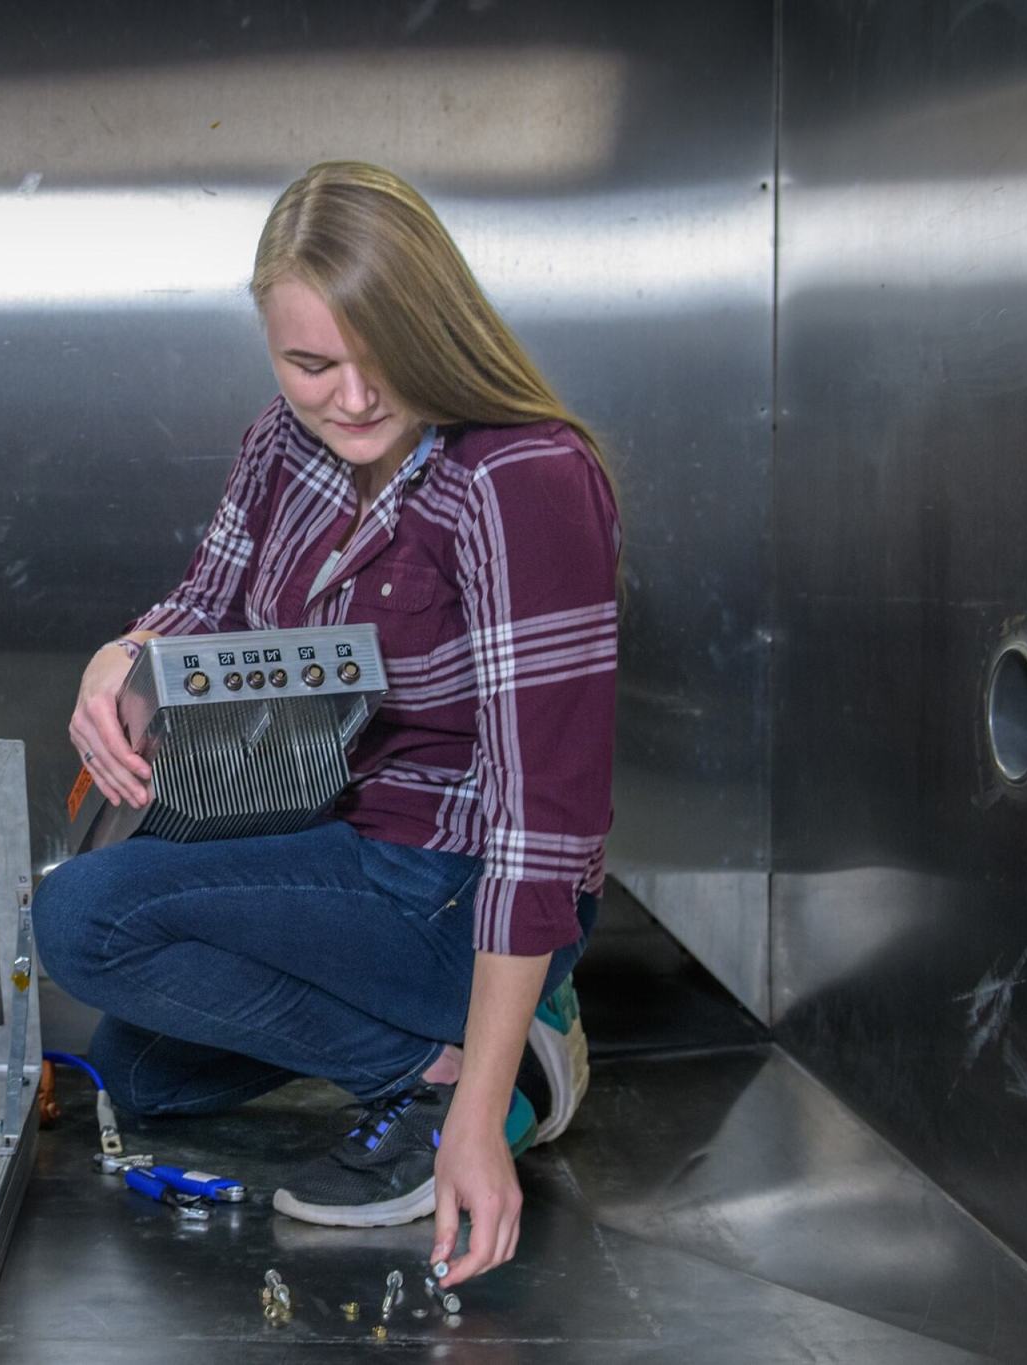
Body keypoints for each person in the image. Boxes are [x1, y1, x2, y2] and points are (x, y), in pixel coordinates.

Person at [31, 161, 619, 1291]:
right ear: (270, 347)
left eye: (381, 358)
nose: (349, 398)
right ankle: (447, 1052)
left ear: (434, 330)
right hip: (329, 843)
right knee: (138, 1069)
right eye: (309, 364)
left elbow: (541, 826)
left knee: (82, 923)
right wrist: (117, 660)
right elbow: (204, 610)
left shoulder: (518, 480)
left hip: (451, 879)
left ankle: (477, 1075)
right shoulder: (282, 444)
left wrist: (476, 1124)